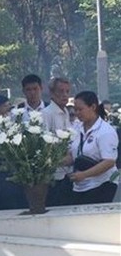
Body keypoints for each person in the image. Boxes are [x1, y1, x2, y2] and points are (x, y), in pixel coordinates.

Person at [67, 91, 118, 204]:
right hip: (80, 185)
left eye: (80, 109)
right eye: (75, 110)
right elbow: (72, 155)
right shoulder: (76, 128)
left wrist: (84, 174)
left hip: (102, 184)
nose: (77, 113)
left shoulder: (106, 131)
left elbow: (109, 162)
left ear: (93, 107)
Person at [43, 77, 73, 207]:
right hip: (53, 175)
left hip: (68, 172)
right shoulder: (46, 114)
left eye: (67, 91)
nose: (65, 95)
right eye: (60, 91)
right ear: (51, 93)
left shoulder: (66, 111)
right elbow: (44, 143)